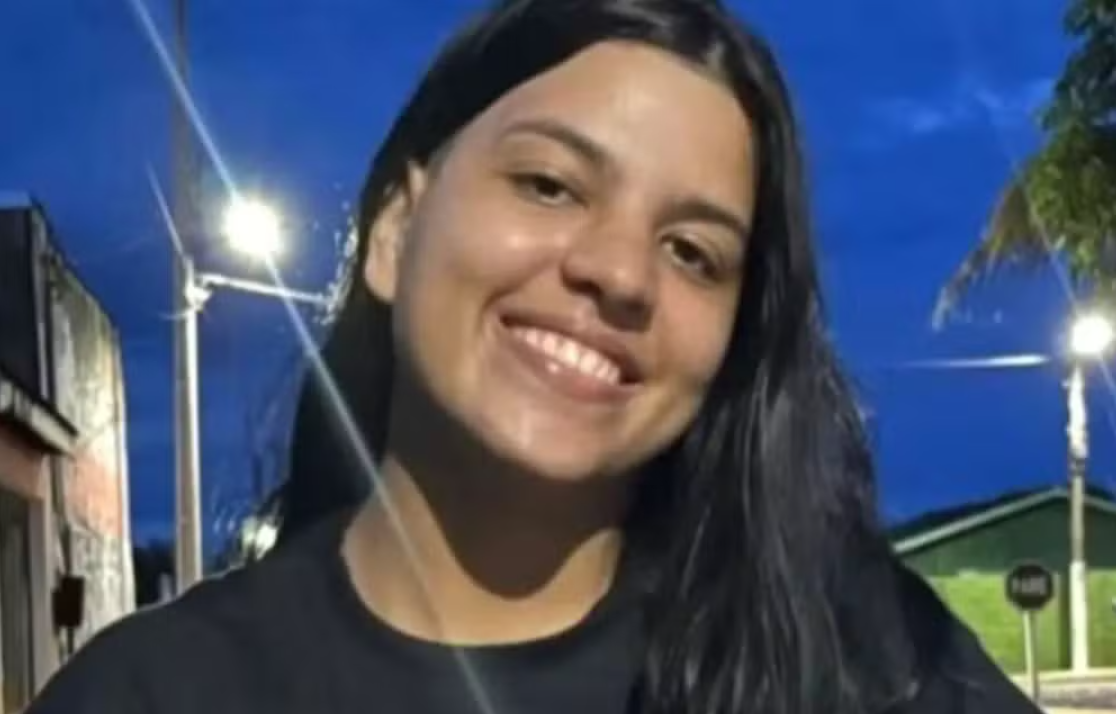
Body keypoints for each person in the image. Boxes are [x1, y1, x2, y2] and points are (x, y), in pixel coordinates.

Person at [29, 1, 1042, 712]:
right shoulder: (152, 692)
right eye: (550, 185)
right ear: (394, 230)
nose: (620, 273)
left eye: (692, 252)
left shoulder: (867, 670)